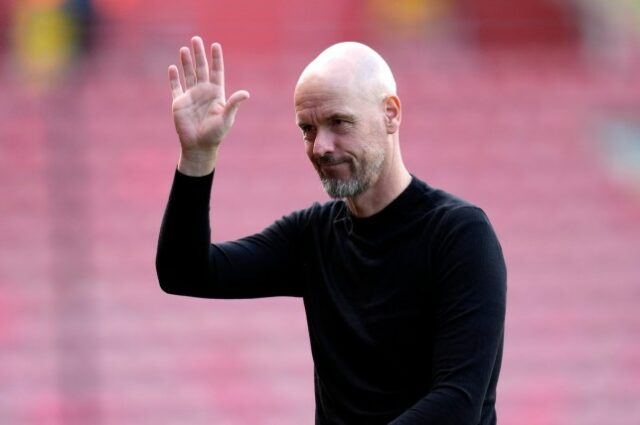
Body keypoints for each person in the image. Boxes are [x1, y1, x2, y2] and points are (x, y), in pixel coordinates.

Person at [156, 36, 507, 425]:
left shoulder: (459, 235)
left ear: (390, 113)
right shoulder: (313, 236)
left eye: (339, 122)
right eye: (307, 129)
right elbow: (184, 272)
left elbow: (458, 403)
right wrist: (197, 156)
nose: (320, 146)